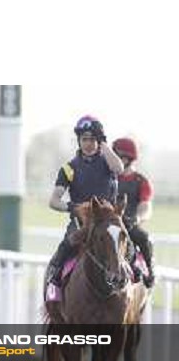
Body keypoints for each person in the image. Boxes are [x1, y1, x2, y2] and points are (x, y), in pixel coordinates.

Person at [45, 115, 124, 294]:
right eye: (84, 139)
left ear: (99, 140)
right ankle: (54, 287)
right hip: (82, 223)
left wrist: (103, 143)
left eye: (92, 139)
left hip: (108, 221)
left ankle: (136, 282)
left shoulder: (108, 162)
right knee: (65, 247)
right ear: (79, 141)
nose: (88, 143)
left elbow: (119, 168)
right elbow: (53, 201)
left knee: (129, 248)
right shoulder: (69, 168)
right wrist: (72, 207)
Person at [112, 137, 156, 287]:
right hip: (110, 222)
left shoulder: (141, 181)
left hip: (129, 223)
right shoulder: (110, 178)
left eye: (122, 157)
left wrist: (136, 218)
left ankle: (149, 271)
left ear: (130, 158)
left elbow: (146, 207)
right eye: (117, 156)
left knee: (143, 237)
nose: (120, 160)